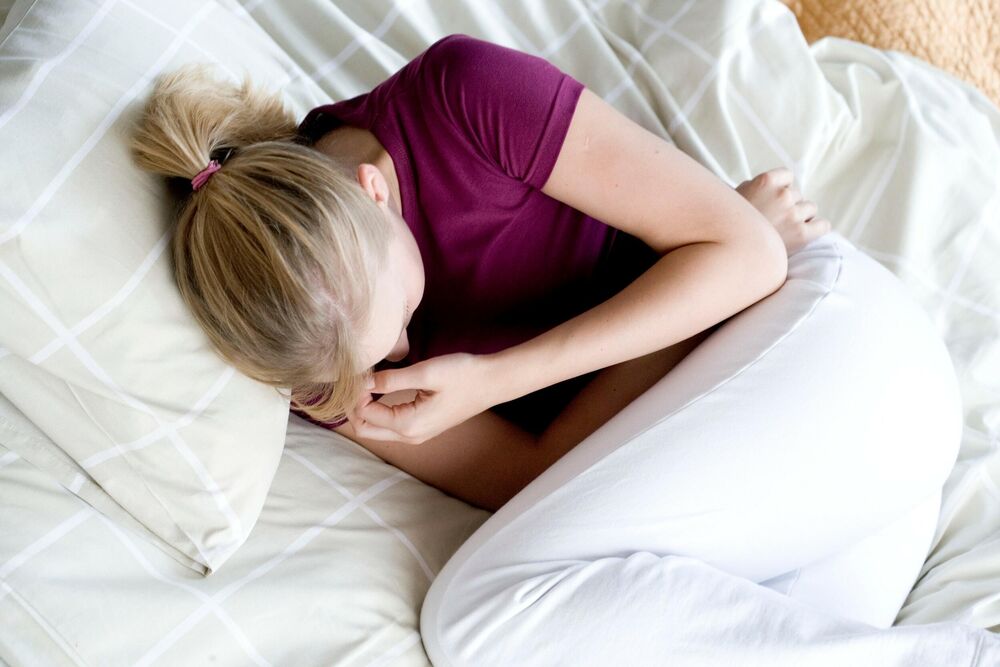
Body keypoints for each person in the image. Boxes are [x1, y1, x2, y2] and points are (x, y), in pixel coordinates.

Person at [130, 33, 997, 665]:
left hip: (831, 354)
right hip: (836, 498)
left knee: (476, 615)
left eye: (401, 313)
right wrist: (697, 290)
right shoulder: (313, 356)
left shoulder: (462, 98)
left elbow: (753, 256)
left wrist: (494, 379)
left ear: (375, 191)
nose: (400, 350)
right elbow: (539, 478)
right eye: (373, 356)